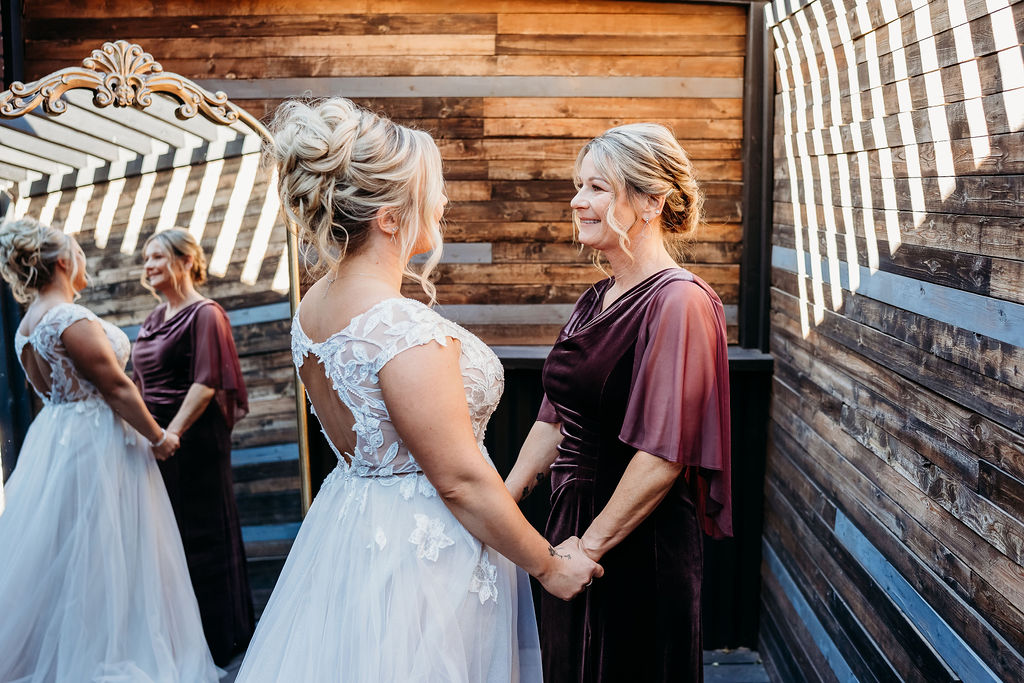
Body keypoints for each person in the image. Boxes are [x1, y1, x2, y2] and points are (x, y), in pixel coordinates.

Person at [235, 97, 602, 682]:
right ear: (387, 217)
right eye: (430, 188)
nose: (442, 200)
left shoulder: (314, 306)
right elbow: (457, 479)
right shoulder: (400, 328)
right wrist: (548, 566)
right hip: (424, 555)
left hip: (354, 526)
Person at [505, 123, 733, 683]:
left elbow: (664, 455)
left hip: (633, 542)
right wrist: (502, 502)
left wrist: (589, 549)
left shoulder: (679, 302)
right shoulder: (596, 297)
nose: (577, 201)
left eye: (597, 188)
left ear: (652, 201)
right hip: (570, 526)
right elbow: (554, 415)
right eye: (579, 186)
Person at [0, 218, 219, 682]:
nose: (83, 262)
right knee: (106, 553)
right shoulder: (67, 317)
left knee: (70, 553)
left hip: (56, 440)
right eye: (78, 252)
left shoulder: (26, 325)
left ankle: (66, 653)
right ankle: (102, 656)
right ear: (63, 262)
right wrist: (159, 438)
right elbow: (117, 387)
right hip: (95, 444)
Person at [131, 227, 254, 666]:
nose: (148, 266)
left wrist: (173, 436)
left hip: (192, 441)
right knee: (168, 540)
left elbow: (205, 384)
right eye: (145, 259)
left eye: (157, 257)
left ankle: (221, 641)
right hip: (156, 442)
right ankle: (178, 641)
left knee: (203, 538)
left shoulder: (206, 314)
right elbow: (137, 381)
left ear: (185, 261)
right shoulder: (151, 320)